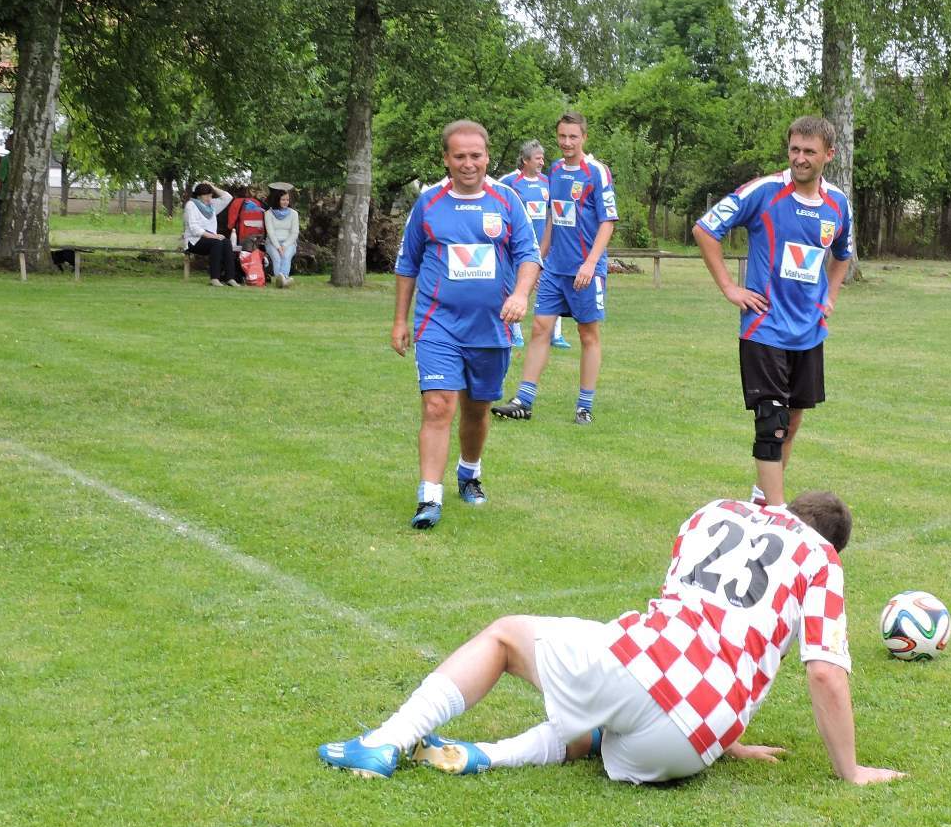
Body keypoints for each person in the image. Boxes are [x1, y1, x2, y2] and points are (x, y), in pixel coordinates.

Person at [318, 490, 902, 787]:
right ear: (834, 542)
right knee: (606, 725)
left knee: (504, 637)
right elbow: (817, 667)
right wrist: (843, 768)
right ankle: (487, 755)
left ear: (786, 507)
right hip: (691, 745)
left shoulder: (714, 513)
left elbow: (691, 620)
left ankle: (388, 741)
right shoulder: (822, 559)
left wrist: (848, 772)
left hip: (648, 667)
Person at [691, 115, 853, 505]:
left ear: (829, 155)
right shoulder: (764, 192)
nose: (799, 158)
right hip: (763, 327)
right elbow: (705, 229)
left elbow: (842, 253)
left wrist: (829, 296)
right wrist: (730, 287)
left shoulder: (837, 203)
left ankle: (761, 502)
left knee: (792, 422)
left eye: (809, 151)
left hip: (808, 331)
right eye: (794, 149)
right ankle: (777, 514)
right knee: (771, 422)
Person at [391, 120, 541, 530]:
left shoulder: (507, 200)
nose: (468, 163)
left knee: (476, 409)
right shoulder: (429, 203)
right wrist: (400, 320)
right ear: (446, 158)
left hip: (491, 328)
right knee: (438, 405)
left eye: (476, 155)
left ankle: (469, 473)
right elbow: (407, 264)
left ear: (487, 157)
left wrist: (520, 295)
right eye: (459, 156)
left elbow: (529, 256)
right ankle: (429, 497)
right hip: (437, 325)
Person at [492, 111, 615, 425]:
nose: (567, 142)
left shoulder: (597, 172)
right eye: (562, 136)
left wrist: (590, 264)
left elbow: (608, 222)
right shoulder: (556, 171)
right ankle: (524, 400)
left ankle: (584, 407)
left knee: (588, 335)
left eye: (573, 136)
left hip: (585, 270)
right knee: (539, 328)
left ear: (584, 137)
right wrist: (539, 262)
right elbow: (552, 219)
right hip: (554, 269)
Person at [498, 141, 554, 350]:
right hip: (518, 248)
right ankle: (515, 332)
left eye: (542, 158)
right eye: (538, 158)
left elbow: (553, 213)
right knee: (516, 287)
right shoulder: (509, 182)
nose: (542, 162)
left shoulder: (547, 182)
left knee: (549, 288)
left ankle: (555, 334)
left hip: (544, 246)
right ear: (525, 160)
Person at [183, 182, 237, 285]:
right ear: (198, 196)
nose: (209, 198)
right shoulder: (191, 205)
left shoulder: (212, 206)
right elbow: (195, 229)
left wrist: (211, 186)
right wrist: (214, 236)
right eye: (206, 196)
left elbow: (228, 197)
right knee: (217, 242)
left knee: (226, 242)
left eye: (210, 195)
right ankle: (215, 278)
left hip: (210, 239)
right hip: (194, 241)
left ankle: (230, 278)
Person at [264, 184, 300, 287]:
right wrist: (278, 247)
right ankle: (284, 280)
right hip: (272, 243)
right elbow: (270, 232)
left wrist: (284, 245)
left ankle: (281, 280)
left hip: (289, 243)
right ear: (277, 200)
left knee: (286, 256)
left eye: (287, 200)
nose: (286, 202)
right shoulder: (268, 213)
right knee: (277, 258)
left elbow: (294, 233)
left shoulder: (294, 214)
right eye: (283, 200)